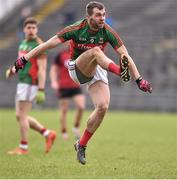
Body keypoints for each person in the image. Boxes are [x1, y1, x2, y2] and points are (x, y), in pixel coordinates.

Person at [10, 1, 152, 163]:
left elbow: (125, 54)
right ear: (88, 16)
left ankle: (82, 144)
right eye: (98, 15)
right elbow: (47, 44)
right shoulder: (76, 29)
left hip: (97, 67)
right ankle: (120, 72)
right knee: (96, 51)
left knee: (102, 107)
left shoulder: (107, 31)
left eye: (104, 15)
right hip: (76, 68)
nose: (102, 18)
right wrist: (24, 59)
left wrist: (139, 79)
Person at [7, 17, 56, 155]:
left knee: (22, 116)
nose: (31, 30)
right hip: (22, 82)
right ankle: (47, 133)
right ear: (24, 29)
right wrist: (12, 70)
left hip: (30, 83)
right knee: (20, 116)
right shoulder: (22, 44)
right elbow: (20, 63)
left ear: (37, 29)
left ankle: (23, 148)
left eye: (34, 28)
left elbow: (42, 68)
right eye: (28, 28)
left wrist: (41, 89)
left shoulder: (39, 45)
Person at [50, 45, 85, 140]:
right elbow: (53, 69)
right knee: (64, 110)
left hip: (75, 85)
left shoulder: (78, 54)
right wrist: (54, 81)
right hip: (63, 86)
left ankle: (76, 127)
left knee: (81, 106)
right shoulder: (60, 55)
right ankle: (64, 131)